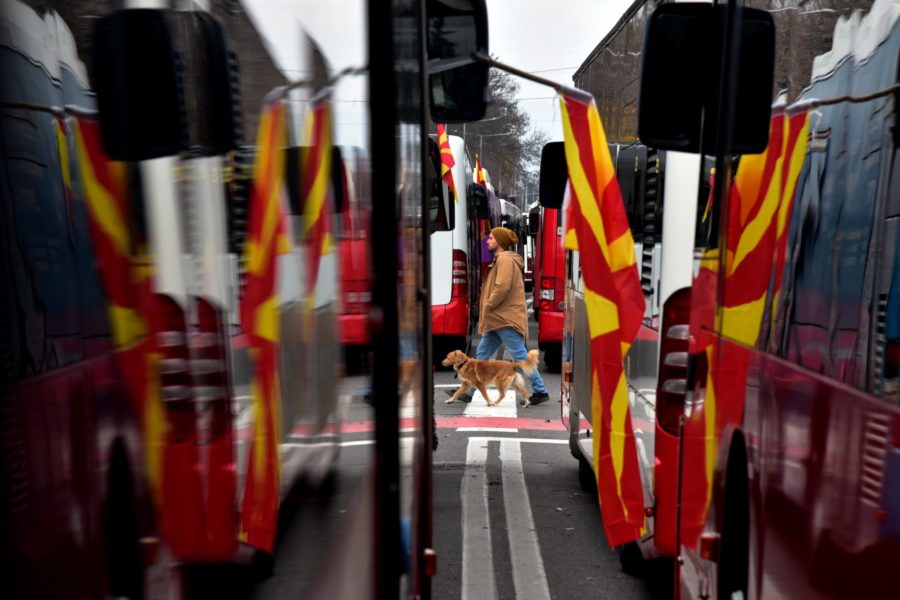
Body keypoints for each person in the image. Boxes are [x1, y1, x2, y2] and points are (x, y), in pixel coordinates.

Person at [446, 226, 550, 405]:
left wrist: (488, 304)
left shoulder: (505, 261)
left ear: (500, 242)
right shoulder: (501, 260)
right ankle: (468, 390)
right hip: (497, 318)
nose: (488, 240)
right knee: (482, 353)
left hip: (504, 318)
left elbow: (502, 287)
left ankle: (540, 391)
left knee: (519, 355)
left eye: (492, 238)